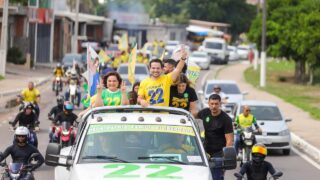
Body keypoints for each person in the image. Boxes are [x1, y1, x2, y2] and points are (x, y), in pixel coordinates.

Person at [194, 94, 233, 179]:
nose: (214, 106)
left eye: (216, 104)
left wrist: (226, 157)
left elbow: (229, 140)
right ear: (208, 103)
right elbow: (192, 115)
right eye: (212, 104)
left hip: (219, 154)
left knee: (216, 177)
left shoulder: (226, 119)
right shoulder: (205, 112)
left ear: (220, 104)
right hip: (205, 152)